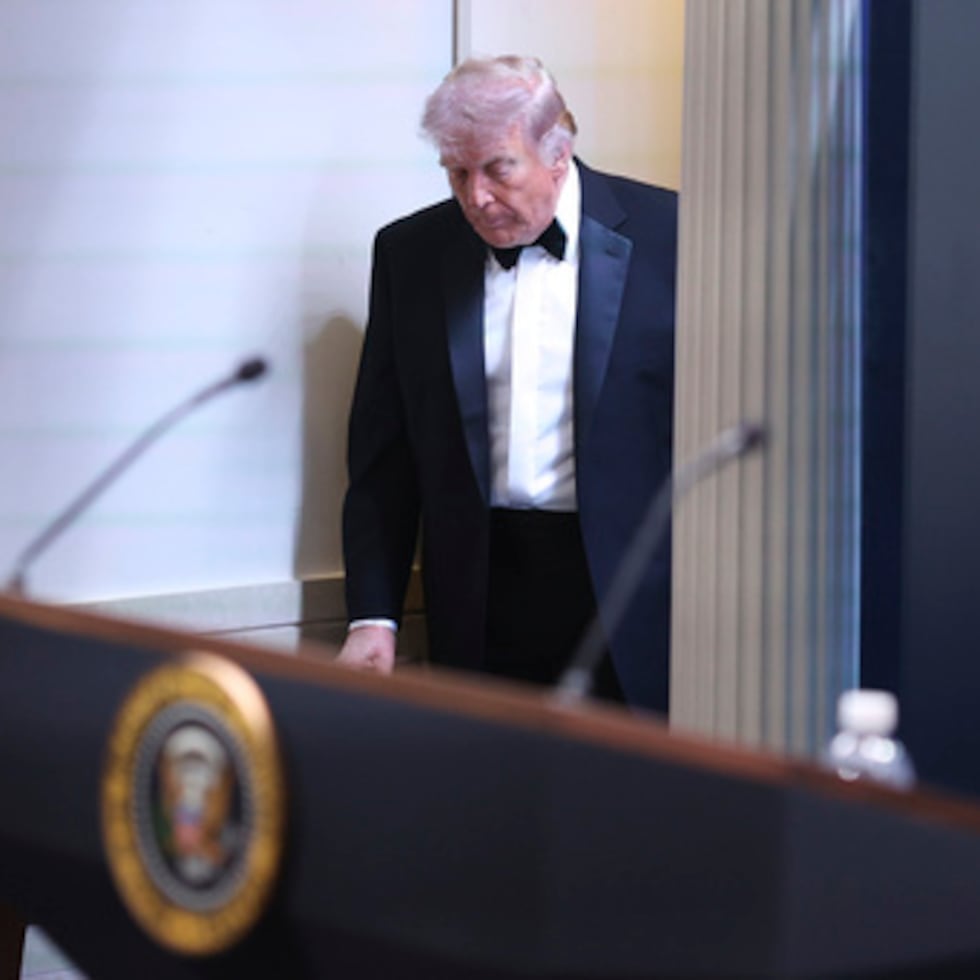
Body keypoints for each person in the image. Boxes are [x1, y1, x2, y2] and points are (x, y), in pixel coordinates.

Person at [337, 55, 676, 712]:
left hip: (637, 598)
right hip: (480, 596)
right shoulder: (409, 254)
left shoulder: (675, 236)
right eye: (457, 172)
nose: (476, 198)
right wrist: (372, 616)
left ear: (558, 153)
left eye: (498, 169)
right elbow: (384, 459)